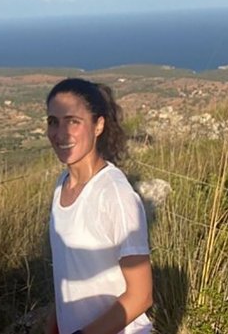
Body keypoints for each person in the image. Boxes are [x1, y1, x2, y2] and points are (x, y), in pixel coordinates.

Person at [44, 78, 153, 334]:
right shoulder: (62, 185)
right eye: (53, 121)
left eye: (73, 121)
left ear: (98, 125)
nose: (60, 134)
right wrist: (54, 323)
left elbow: (141, 295)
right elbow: (68, 270)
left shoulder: (114, 194)